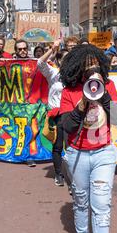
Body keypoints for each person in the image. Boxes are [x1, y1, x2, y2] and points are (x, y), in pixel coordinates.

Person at [59, 44, 117, 233]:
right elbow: (67, 126)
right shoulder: (70, 92)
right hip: (77, 154)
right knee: (81, 201)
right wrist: (84, 101)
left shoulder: (109, 87)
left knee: (102, 205)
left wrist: (103, 94)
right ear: (76, 69)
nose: (91, 70)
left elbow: (116, 119)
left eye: (94, 65)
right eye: (86, 66)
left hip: (103, 153)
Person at [37, 39, 69, 187]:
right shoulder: (53, 73)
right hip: (56, 115)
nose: (67, 62)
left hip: (72, 115)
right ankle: (58, 173)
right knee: (58, 146)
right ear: (58, 60)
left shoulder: (77, 75)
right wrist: (52, 48)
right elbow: (40, 64)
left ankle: (73, 175)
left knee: (73, 146)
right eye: (64, 59)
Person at [13, 39, 36, 167]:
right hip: (12, 104)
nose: (22, 51)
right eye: (19, 49)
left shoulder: (33, 63)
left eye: (24, 49)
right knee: (16, 130)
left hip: (30, 104)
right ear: (16, 51)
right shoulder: (8, 63)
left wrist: (53, 49)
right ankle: (17, 153)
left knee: (28, 129)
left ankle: (28, 156)